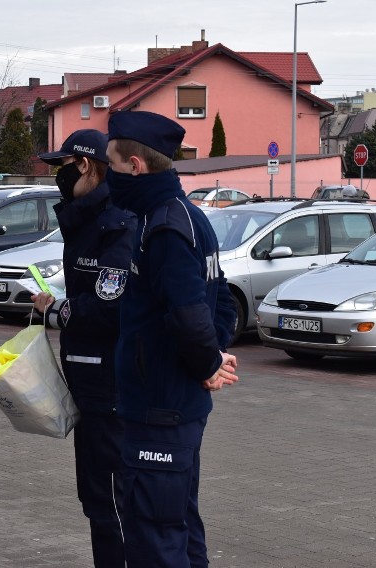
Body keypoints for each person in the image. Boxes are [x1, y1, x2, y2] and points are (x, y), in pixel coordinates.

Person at [104, 111, 239, 567]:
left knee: (155, 538)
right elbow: (220, 301)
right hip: (173, 404)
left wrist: (208, 365)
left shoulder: (163, 228)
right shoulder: (188, 217)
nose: (109, 175)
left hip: (160, 409)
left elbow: (190, 313)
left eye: (112, 164)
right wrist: (213, 359)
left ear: (135, 167)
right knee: (178, 525)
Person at [33, 129, 136, 567]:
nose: (58, 178)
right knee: (96, 496)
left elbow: (111, 307)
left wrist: (60, 310)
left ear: (86, 166)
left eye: (63, 167)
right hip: (89, 379)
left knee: (111, 499)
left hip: (108, 383)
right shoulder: (88, 218)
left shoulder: (116, 222)